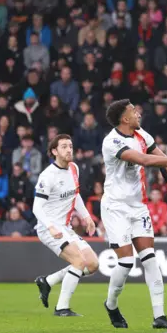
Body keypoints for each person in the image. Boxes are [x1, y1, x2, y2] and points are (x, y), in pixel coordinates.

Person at [100, 99, 167, 330]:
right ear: (124, 119)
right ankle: (111, 304)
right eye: (134, 111)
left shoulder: (143, 136)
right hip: (116, 207)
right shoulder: (112, 141)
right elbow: (146, 160)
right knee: (126, 262)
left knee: (150, 259)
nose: (138, 113)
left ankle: (159, 316)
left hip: (139, 206)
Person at [33, 134, 99, 317]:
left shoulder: (74, 168)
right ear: (54, 151)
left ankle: (47, 281)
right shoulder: (47, 176)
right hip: (49, 228)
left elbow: (75, 195)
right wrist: (50, 226)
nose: (69, 149)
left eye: (70, 146)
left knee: (92, 264)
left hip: (66, 227)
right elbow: (36, 207)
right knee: (78, 262)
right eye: (64, 146)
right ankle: (62, 308)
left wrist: (87, 217)